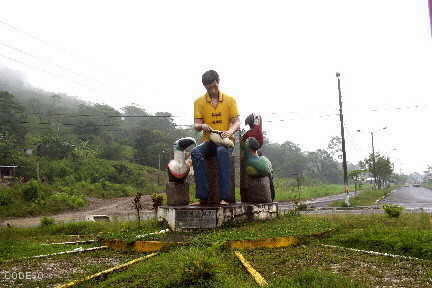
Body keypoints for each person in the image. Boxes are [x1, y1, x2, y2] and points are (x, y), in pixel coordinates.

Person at [191, 70, 240, 205]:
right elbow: (196, 124)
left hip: (226, 141)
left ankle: (225, 197)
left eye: (214, 86)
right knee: (195, 152)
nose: (212, 90)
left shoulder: (230, 100)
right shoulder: (199, 102)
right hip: (209, 141)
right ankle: (203, 196)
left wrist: (230, 131)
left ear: (218, 82)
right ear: (204, 86)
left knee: (222, 151)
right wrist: (202, 126)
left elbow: (237, 121)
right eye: (209, 87)